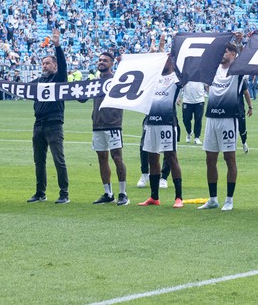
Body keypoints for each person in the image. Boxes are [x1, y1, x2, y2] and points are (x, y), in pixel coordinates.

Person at [199, 40, 252, 211]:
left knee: (229, 158)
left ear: (233, 54)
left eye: (226, 51)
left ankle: (229, 199)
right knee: (210, 159)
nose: (222, 53)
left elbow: (247, 59)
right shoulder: (213, 69)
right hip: (212, 118)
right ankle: (213, 198)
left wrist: (239, 42)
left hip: (229, 119)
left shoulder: (237, 72)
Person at [27, 29, 70, 204]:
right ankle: (40, 192)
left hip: (54, 124)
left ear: (55, 66)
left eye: (47, 63)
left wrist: (57, 46)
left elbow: (63, 65)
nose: (44, 66)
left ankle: (64, 193)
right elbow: (18, 87)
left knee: (58, 160)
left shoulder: (58, 79)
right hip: (38, 124)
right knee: (39, 161)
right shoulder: (38, 82)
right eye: (43, 64)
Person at [138, 54, 184, 208]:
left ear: (171, 61)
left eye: (165, 59)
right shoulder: (153, 78)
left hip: (167, 123)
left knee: (171, 157)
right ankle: (154, 197)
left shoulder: (175, 78)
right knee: (152, 159)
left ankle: (178, 198)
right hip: (151, 123)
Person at [88, 50, 128, 205]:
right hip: (97, 124)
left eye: (105, 60)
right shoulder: (94, 81)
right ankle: (108, 193)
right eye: (99, 60)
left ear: (111, 63)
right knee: (101, 159)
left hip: (113, 124)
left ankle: (123, 193)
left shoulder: (117, 80)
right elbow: (81, 99)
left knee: (117, 157)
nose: (101, 62)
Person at [179, 77, 206, 145]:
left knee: (198, 120)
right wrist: (178, 97)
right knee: (186, 119)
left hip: (199, 101)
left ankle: (197, 137)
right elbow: (179, 86)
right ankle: (189, 132)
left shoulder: (202, 75)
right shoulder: (186, 75)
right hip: (187, 101)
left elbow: (207, 86)